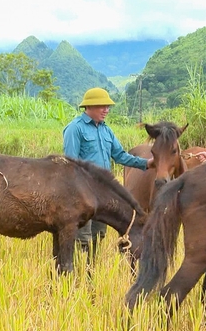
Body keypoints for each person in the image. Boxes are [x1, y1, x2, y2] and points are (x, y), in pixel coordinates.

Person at [63, 87, 153, 255]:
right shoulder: (75, 129)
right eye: (102, 106)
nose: (106, 110)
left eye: (107, 106)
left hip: (103, 193)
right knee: (83, 237)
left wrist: (147, 163)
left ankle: (91, 271)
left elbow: (120, 156)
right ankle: (80, 275)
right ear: (88, 107)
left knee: (99, 234)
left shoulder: (106, 130)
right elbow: (70, 164)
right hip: (84, 193)